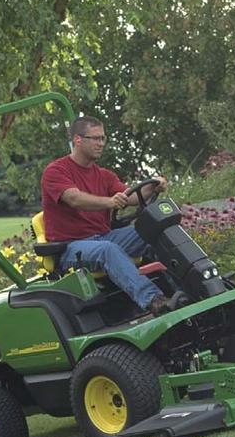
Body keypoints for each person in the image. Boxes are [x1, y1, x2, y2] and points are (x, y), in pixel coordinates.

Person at [40, 116, 177, 317]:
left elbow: (131, 198)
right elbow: (74, 199)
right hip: (70, 247)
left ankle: (186, 287)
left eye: (103, 138)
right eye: (95, 138)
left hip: (104, 237)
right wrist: (109, 202)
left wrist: (154, 185)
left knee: (154, 230)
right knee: (107, 250)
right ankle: (154, 300)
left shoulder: (104, 175)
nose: (101, 143)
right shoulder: (56, 171)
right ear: (78, 140)